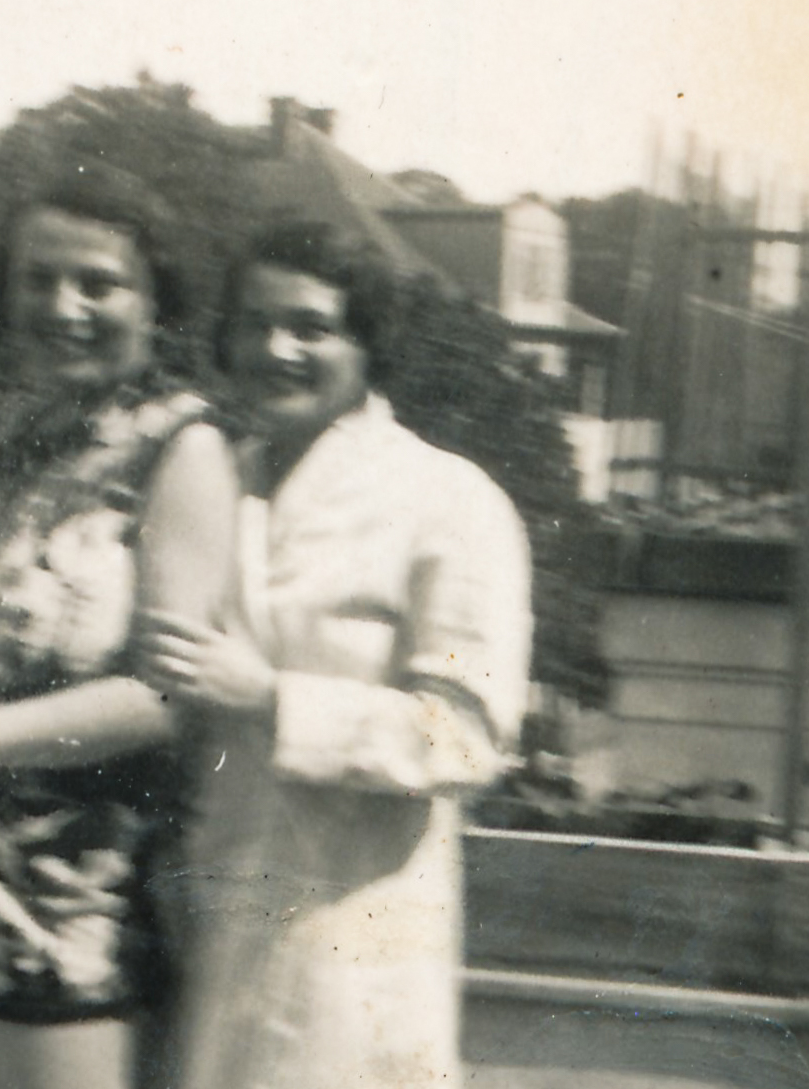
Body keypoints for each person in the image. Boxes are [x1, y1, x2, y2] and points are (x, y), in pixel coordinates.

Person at [0, 164, 238, 1089]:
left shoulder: (182, 451)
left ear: (154, 303)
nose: (63, 306)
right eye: (38, 279)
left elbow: (167, 696)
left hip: (80, 894)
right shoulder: (19, 444)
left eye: (97, 283)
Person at [142, 221, 534, 1089]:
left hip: (357, 945)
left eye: (311, 327)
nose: (275, 350)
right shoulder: (211, 481)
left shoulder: (446, 499)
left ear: (368, 345)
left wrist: (272, 698)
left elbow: (466, 735)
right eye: (254, 323)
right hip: (208, 927)